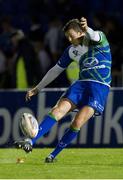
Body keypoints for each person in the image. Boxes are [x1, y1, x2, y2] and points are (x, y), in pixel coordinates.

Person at [15, 17, 112, 162]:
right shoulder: (72, 51)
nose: (69, 39)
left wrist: (88, 29)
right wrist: (37, 88)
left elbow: (93, 35)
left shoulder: (99, 38)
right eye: (67, 36)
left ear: (80, 32)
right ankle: (30, 142)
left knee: (77, 122)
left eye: (70, 36)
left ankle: (52, 155)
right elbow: (55, 70)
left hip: (99, 87)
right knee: (58, 110)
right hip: (80, 85)